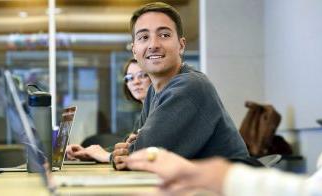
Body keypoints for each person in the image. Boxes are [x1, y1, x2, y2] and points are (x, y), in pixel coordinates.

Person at [112, 2, 249, 170]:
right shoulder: (153, 93)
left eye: (164, 35)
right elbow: (133, 141)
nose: (153, 44)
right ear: (134, 50)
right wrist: (132, 147)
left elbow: (143, 155)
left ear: (181, 45)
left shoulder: (190, 86)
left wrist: (130, 150)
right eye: (143, 37)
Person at [126, 148, 322, 196]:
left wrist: (220, 175)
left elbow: (138, 149)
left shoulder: (189, 85)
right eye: (129, 77)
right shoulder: (156, 93)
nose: (136, 81)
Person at [65, 58, 151, 162]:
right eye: (130, 77)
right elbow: (125, 149)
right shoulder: (143, 115)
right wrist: (89, 153)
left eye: (142, 75)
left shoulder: (156, 111)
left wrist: (105, 155)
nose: (136, 82)